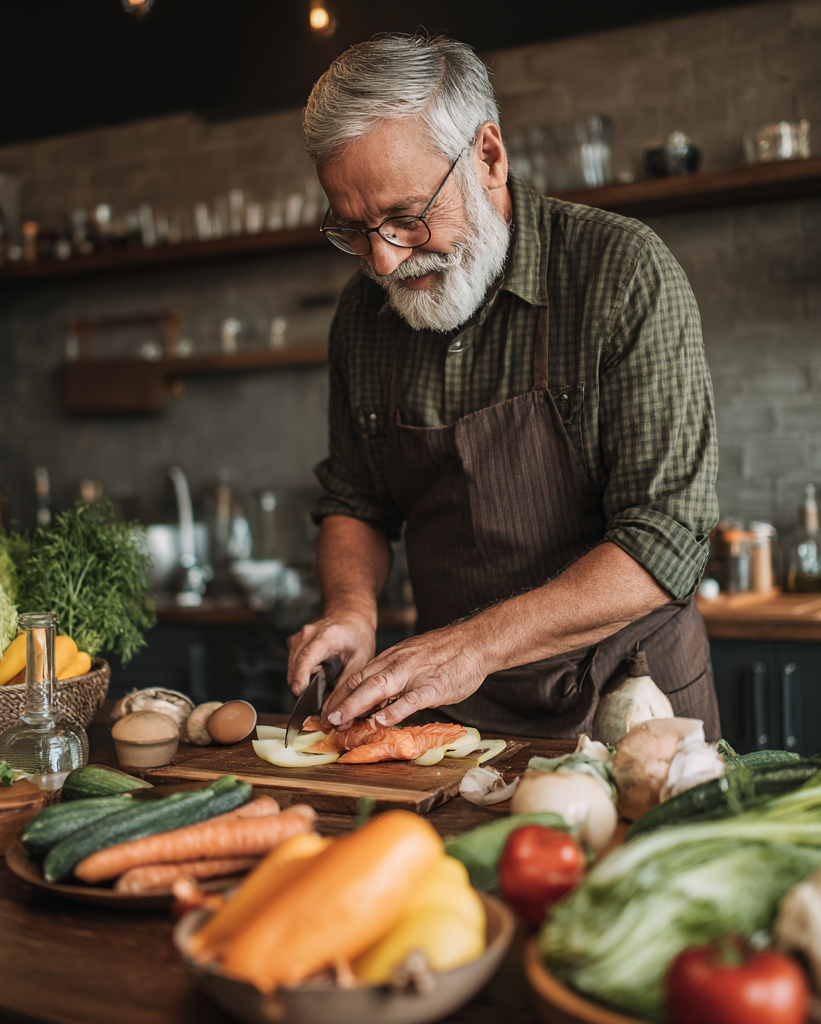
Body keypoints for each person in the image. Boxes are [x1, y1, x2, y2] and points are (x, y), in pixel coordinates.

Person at [286, 33, 720, 740]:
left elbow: (664, 538)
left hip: (632, 705)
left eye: (406, 216)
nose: (385, 258)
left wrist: (474, 646)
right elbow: (356, 500)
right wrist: (351, 610)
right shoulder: (363, 316)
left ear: (487, 156)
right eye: (355, 229)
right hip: (449, 721)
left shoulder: (622, 272)